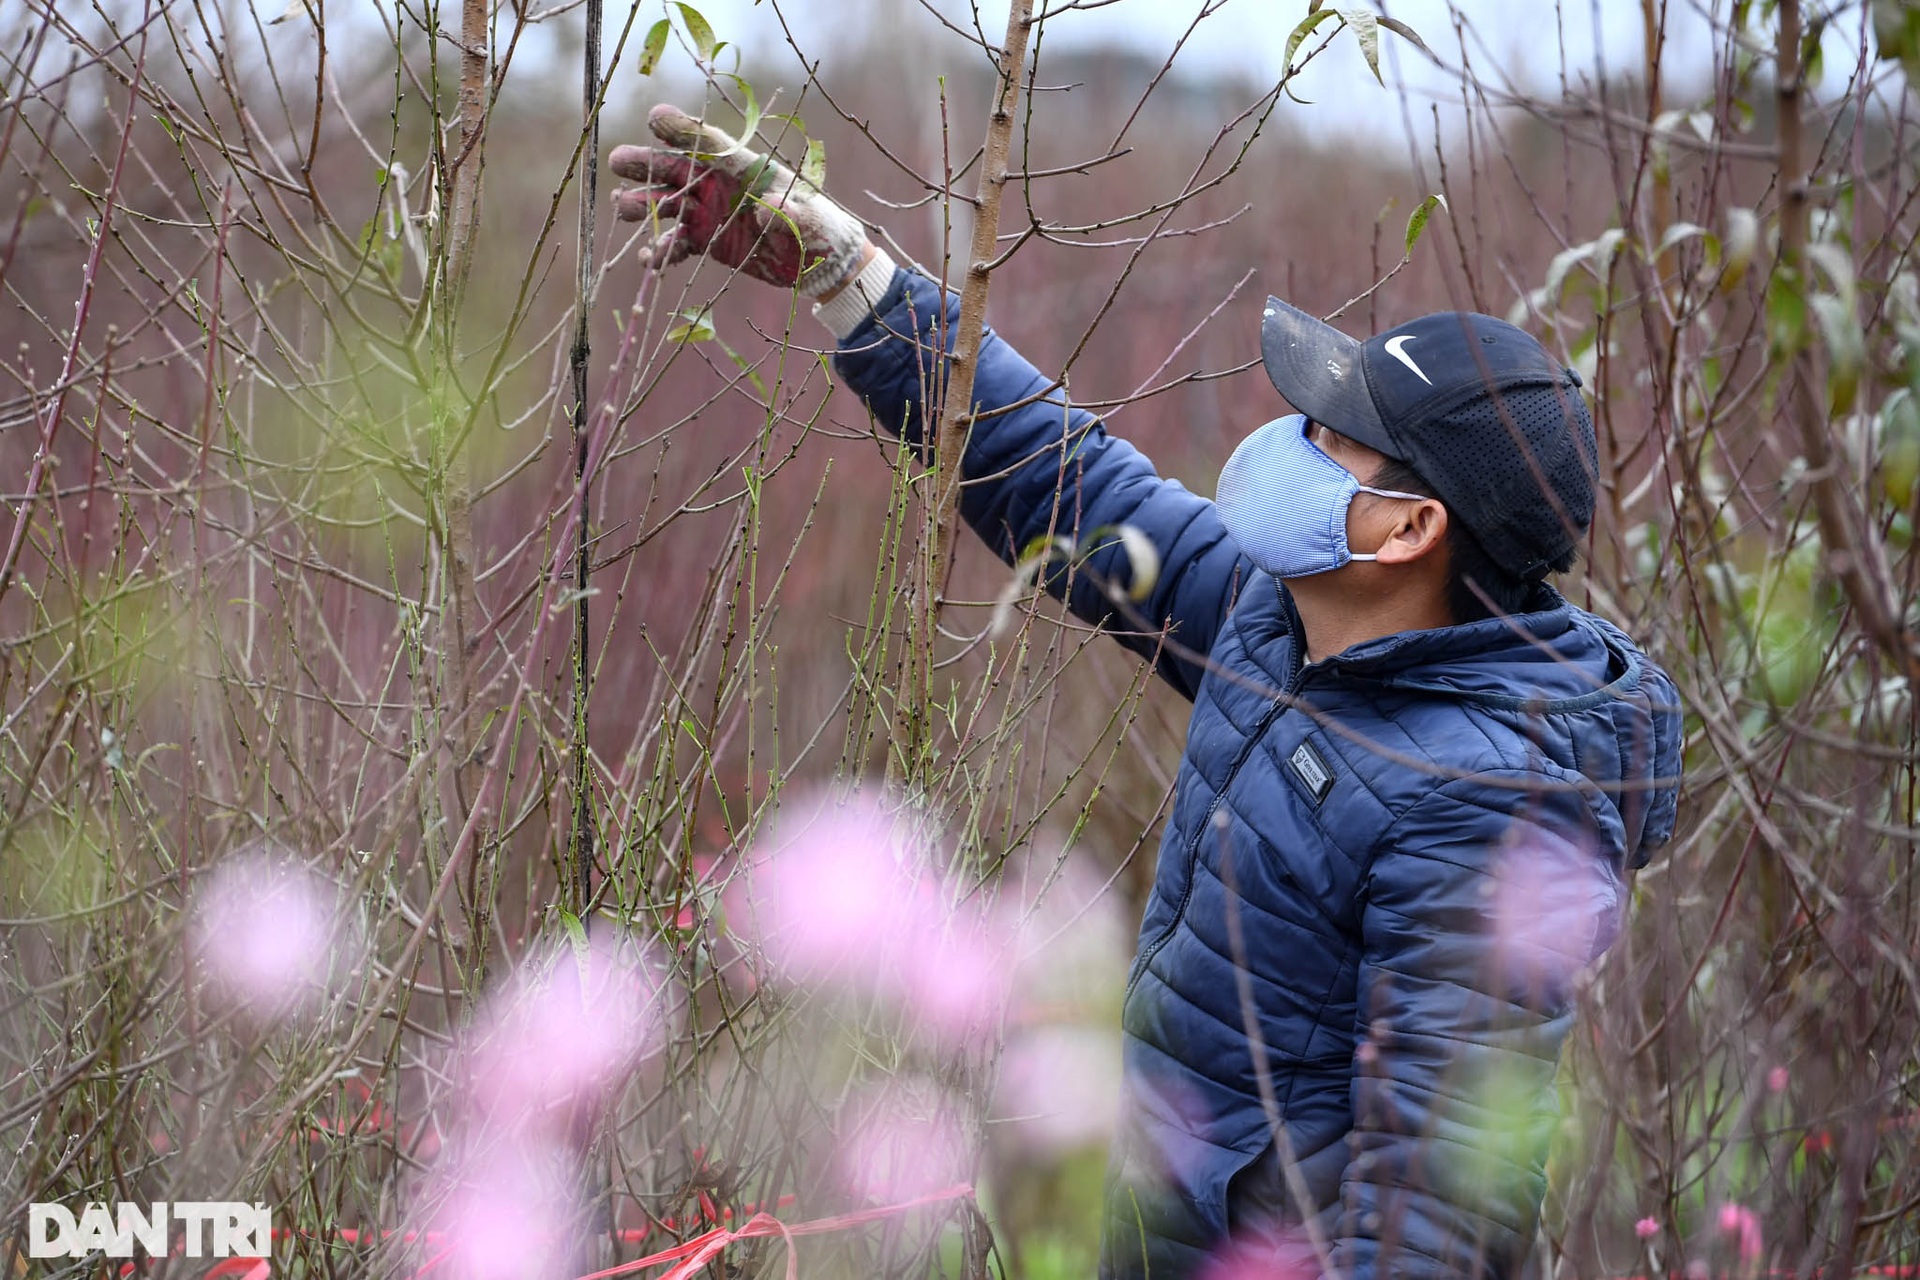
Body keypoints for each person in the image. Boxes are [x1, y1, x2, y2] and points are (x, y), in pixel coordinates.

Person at [611, 105, 1682, 1279]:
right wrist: (852, 278)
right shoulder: (1285, 617)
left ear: (1410, 528)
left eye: (1333, 437)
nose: (1291, 438)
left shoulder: (1490, 807)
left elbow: (1436, 1219)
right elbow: (1071, 486)